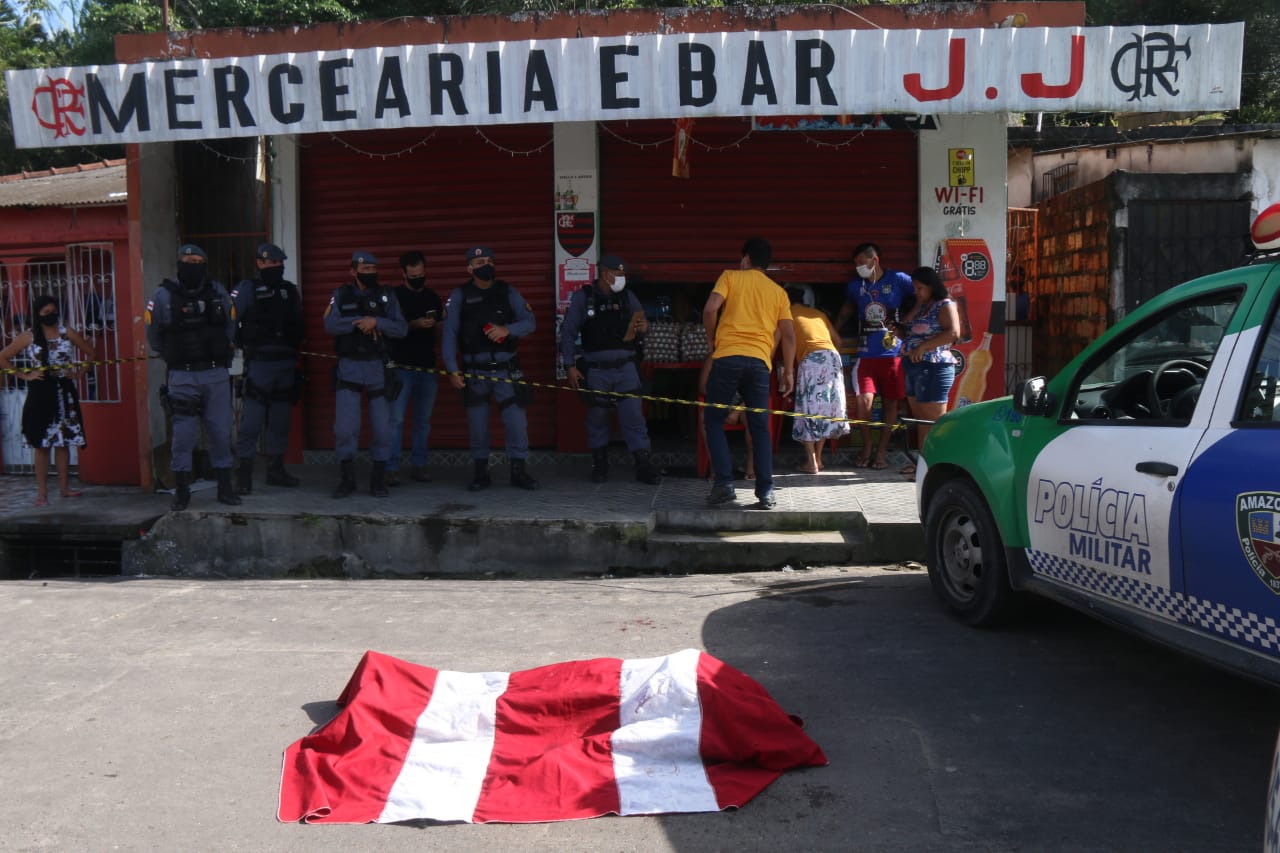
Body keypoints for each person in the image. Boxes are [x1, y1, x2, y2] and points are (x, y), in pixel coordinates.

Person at [701, 237, 795, 509]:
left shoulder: (730, 276)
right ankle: (765, 492)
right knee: (759, 428)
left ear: (746, 259)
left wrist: (711, 340)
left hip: (727, 358)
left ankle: (724, 485)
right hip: (759, 365)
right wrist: (788, 372)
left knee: (714, 420)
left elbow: (710, 309)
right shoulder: (778, 292)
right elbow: (788, 336)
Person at [145, 243, 240, 510]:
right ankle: (183, 491)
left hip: (215, 374)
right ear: (179, 263)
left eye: (198, 260)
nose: (193, 264)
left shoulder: (217, 290)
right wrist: (172, 354)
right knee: (184, 436)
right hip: (182, 376)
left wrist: (223, 349)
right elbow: (153, 334)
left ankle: (225, 488)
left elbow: (231, 324)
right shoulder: (163, 295)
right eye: (188, 260)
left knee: (220, 433)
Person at [442, 246, 540, 492]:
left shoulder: (507, 291)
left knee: (517, 423)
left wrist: (508, 330)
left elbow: (530, 322)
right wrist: (452, 370)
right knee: (478, 425)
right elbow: (449, 334)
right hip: (475, 372)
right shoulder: (460, 295)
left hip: (506, 370)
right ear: (469, 268)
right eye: (479, 261)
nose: (485, 264)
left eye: (488, 260)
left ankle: (518, 472)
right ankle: (480, 473)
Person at [561, 253, 661, 485]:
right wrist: (569, 366)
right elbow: (567, 333)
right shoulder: (583, 298)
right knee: (597, 417)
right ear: (606, 274)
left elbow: (643, 327)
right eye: (618, 274)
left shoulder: (628, 297)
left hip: (626, 369)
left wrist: (645, 327)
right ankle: (600, 465)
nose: (621, 279)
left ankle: (643, 464)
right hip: (596, 370)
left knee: (634, 417)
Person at [323, 251, 408, 498]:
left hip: (376, 367)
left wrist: (377, 323)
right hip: (349, 366)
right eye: (365, 269)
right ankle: (347, 480)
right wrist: (360, 320)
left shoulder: (387, 295)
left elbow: (401, 328)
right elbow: (329, 324)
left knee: (382, 429)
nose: (370, 273)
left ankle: (378, 480)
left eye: (373, 269)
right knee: (345, 428)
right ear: (353, 271)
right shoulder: (340, 294)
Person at [0, 295, 96, 506]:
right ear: (37, 314)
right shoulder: (28, 336)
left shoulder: (66, 332)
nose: (50, 315)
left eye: (53, 311)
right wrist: (25, 376)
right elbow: (3, 357)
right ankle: (42, 493)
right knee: (41, 443)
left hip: (63, 393)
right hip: (40, 394)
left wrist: (79, 373)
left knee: (63, 443)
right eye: (45, 312)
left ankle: (64, 488)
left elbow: (90, 353)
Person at [231, 242, 304, 495]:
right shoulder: (246, 289)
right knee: (251, 423)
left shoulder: (290, 291)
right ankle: (244, 475)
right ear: (259, 263)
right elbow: (231, 321)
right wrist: (236, 345)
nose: (276, 267)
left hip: (285, 365)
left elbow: (298, 324)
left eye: (278, 263)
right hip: (259, 365)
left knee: (280, 422)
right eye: (270, 263)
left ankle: (276, 470)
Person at [834, 242, 914, 471]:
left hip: (893, 355)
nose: (857, 267)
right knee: (864, 402)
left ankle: (882, 452)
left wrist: (907, 324)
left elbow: (922, 294)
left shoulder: (898, 279)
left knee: (891, 404)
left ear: (874, 260)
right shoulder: (854, 286)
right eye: (855, 263)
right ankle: (867, 447)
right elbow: (848, 310)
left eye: (860, 262)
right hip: (866, 355)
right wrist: (833, 330)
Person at [386, 250, 444, 486]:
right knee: (396, 420)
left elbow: (442, 328)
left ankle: (419, 465)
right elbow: (389, 329)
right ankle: (390, 467)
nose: (418, 278)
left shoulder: (432, 297)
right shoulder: (394, 296)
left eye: (421, 274)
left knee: (423, 420)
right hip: (400, 367)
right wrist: (415, 324)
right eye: (413, 275)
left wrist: (435, 323)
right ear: (403, 274)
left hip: (427, 369)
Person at [897, 266, 960, 478]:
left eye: (920, 288)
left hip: (934, 367)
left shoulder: (945, 305)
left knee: (935, 421)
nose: (917, 292)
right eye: (914, 288)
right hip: (913, 367)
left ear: (932, 286)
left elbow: (953, 332)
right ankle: (922, 466)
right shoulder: (922, 306)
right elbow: (906, 326)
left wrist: (923, 347)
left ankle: (941, 467)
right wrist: (917, 303)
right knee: (921, 419)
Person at [787, 288, 849, 474]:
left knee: (808, 408)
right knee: (824, 408)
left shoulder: (786, 313)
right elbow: (838, 341)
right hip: (832, 358)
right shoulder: (818, 314)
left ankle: (811, 461)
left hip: (812, 360)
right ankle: (819, 459)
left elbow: (783, 341)